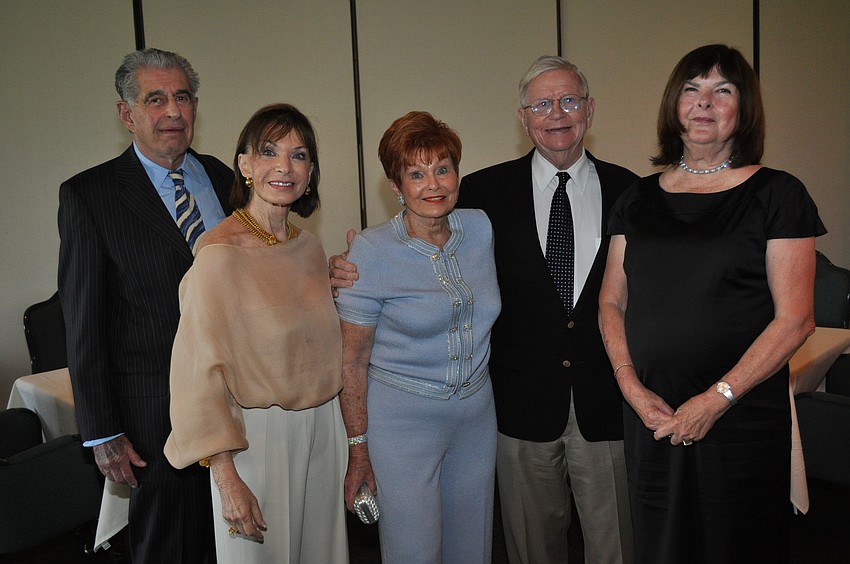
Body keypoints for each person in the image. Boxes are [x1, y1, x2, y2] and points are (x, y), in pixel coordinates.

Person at [332, 56, 635, 564]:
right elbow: (380, 281)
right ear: (523, 118)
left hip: (594, 408)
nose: (556, 113)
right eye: (542, 104)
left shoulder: (629, 192)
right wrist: (339, 269)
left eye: (569, 100)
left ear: (589, 109)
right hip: (515, 413)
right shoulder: (487, 194)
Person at [598, 44, 826, 564]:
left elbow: (796, 320)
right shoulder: (637, 198)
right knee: (661, 546)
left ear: (744, 108)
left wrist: (717, 399)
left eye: (722, 90)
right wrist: (631, 389)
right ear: (673, 105)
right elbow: (611, 301)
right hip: (652, 414)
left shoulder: (779, 194)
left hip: (740, 415)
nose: (704, 102)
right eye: (691, 89)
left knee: (736, 545)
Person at [58, 48, 232, 562]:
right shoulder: (90, 195)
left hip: (238, 402)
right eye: (155, 99)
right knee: (171, 546)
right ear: (126, 113)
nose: (173, 111)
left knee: (236, 541)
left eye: (183, 97)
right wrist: (103, 431)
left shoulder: (226, 178)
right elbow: (83, 322)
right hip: (153, 417)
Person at [163, 103, 349, 563]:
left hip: (325, 431)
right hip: (257, 442)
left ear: (311, 173)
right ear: (245, 165)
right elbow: (196, 379)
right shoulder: (217, 256)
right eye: (269, 152)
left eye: (299, 155)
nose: (285, 166)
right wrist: (225, 475)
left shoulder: (309, 249)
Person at [334, 111, 501, 563]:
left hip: (476, 420)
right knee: (414, 551)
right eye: (416, 174)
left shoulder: (481, 228)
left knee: (473, 548)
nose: (433, 185)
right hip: (402, 426)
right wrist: (357, 448)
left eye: (442, 169)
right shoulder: (370, 250)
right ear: (396, 185)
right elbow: (351, 362)